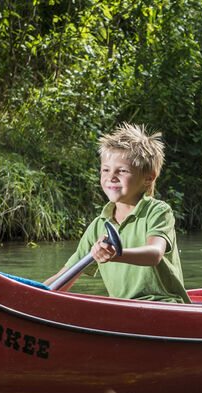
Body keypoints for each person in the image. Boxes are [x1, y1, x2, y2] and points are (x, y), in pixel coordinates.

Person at [45, 123, 190, 303]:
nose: (111, 177)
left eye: (122, 171)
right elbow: (64, 278)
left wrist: (117, 254)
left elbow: (154, 253)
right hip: (124, 309)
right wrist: (27, 296)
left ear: (149, 178)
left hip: (163, 305)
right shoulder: (99, 225)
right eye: (106, 170)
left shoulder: (157, 211)